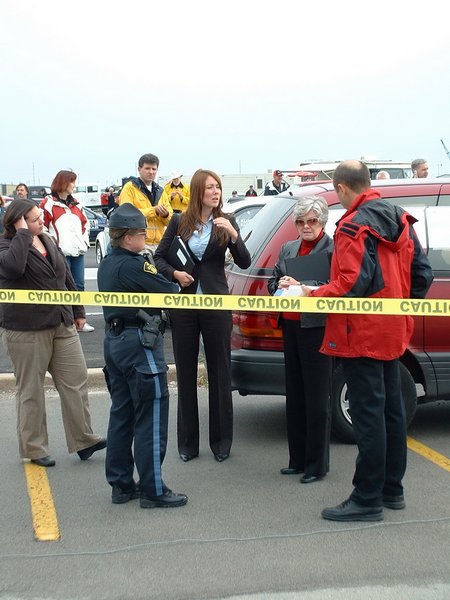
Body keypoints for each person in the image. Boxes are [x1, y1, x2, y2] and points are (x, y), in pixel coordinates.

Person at [301, 160, 433, 521]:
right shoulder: (400, 218)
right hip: (393, 328)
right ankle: (392, 489)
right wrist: (399, 306)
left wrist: (308, 295)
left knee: (368, 415)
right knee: (392, 411)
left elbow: (350, 285)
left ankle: (367, 497)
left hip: (360, 333)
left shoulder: (352, 226)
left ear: (342, 188)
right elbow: (421, 274)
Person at [0, 199, 106, 467]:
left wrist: (78, 311)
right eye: (35, 219)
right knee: (31, 389)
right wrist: (23, 234)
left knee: (76, 379)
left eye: (40, 217)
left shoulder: (47, 239)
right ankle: (34, 448)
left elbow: (65, 277)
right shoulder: (6, 246)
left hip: (61, 322)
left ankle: (83, 440)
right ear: (18, 222)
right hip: (26, 329)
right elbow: (13, 268)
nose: (42, 222)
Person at [154, 169, 251, 462]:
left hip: (215, 303)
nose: (216, 192)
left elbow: (244, 261)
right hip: (184, 306)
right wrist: (174, 274)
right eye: (210, 187)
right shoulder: (178, 220)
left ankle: (221, 443)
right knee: (185, 371)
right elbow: (158, 257)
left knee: (220, 371)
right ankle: (187, 444)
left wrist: (234, 236)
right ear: (198, 191)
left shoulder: (227, 222)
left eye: (218, 187)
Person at [97, 203, 187, 508]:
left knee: (122, 414)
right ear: (127, 237)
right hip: (139, 342)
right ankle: (153, 489)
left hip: (114, 342)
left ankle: (121, 484)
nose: (145, 239)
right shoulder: (135, 265)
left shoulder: (108, 263)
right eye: (141, 234)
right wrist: (175, 280)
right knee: (152, 412)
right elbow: (169, 291)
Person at [268, 196, 333, 483]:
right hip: (291, 327)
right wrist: (280, 285)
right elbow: (273, 282)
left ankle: (316, 465)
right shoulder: (287, 248)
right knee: (294, 395)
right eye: (300, 221)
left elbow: (335, 285)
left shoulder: (332, 248)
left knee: (317, 398)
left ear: (322, 222)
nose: (306, 226)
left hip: (317, 328)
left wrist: (303, 287)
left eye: (312, 221)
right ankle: (297, 459)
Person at [40, 170, 94, 332]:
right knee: (62, 286)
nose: (74, 185)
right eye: (72, 182)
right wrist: (53, 246)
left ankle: (80, 319)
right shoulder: (48, 203)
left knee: (79, 285)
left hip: (78, 251)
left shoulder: (77, 204)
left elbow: (85, 224)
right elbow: (41, 226)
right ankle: (66, 321)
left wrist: (83, 241)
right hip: (60, 253)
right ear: (63, 182)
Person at [119, 153, 172, 251]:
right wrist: (154, 211)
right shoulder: (130, 188)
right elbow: (126, 216)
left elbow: (170, 220)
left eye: (154, 169)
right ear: (139, 170)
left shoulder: (160, 191)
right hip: (138, 245)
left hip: (160, 245)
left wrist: (165, 215)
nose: (151, 172)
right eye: (147, 168)